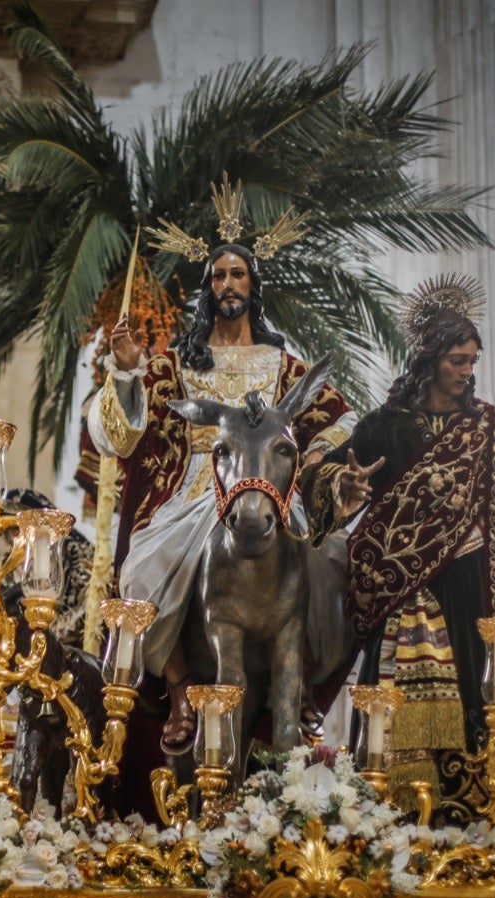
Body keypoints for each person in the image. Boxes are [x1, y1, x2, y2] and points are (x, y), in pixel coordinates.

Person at [299, 279, 495, 822]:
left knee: (475, 695)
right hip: (400, 584)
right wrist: (345, 489)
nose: (467, 371)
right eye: (456, 360)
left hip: (469, 584)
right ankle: (387, 814)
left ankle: (469, 812)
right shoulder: (384, 425)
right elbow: (327, 477)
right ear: (428, 360)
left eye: (472, 360)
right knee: (390, 701)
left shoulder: (488, 427)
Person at [84, 244, 355, 753]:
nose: (228, 284)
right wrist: (124, 374)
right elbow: (118, 437)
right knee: (141, 572)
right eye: (218, 276)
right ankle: (181, 689)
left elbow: (341, 418)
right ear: (208, 289)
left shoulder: (282, 367)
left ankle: (294, 688)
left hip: (271, 490)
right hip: (198, 489)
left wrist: (315, 455)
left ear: (253, 286)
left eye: (238, 274)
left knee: (329, 558)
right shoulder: (179, 364)